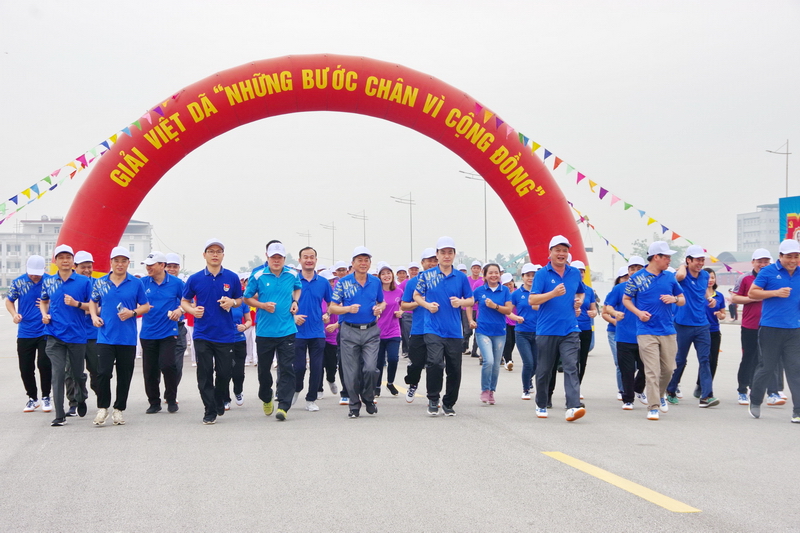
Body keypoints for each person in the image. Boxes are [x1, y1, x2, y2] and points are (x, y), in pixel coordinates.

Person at [181, 238, 243, 425]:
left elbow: (240, 300)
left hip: (225, 334)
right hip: (203, 334)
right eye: (211, 251)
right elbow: (184, 301)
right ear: (204, 255)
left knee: (224, 373)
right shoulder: (195, 278)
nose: (215, 254)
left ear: (223, 255)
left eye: (218, 251)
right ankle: (209, 410)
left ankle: (218, 399)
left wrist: (232, 302)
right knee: (205, 372)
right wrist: (192, 310)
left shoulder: (232, 277)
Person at [622, 241, 685, 420]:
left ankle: (660, 394)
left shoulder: (669, 277)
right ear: (656, 257)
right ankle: (653, 406)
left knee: (668, 369)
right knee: (652, 370)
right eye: (667, 257)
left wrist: (674, 299)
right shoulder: (637, 278)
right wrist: (638, 313)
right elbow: (626, 299)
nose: (669, 260)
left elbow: (682, 299)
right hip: (646, 330)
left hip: (667, 330)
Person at [89, 247, 150, 426]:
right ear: (111, 262)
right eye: (116, 261)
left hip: (127, 338)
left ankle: (119, 409)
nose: (120, 264)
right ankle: (102, 408)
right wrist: (94, 316)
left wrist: (132, 312)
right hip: (105, 336)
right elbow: (93, 301)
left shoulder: (136, 283)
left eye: (123, 261)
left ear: (128, 263)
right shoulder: (100, 282)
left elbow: (145, 306)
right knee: (102, 373)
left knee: (124, 375)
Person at [413, 237, 474, 417]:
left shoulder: (461, 277)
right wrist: (427, 305)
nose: (446, 256)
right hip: (432, 328)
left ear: (454, 255)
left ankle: (449, 402)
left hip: (454, 331)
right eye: (443, 252)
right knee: (435, 363)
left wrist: (461, 302)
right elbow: (416, 295)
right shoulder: (426, 276)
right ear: (437, 255)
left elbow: (471, 300)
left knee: (454, 368)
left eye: (450, 252)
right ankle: (433, 399)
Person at [529, 236, 585, 422]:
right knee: (544, 370)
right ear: (550, 252)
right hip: (547, 329)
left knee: (571, 367)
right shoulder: (542, 274)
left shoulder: (574, 273)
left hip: (570, 328)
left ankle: (573, 406)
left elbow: (581, 292)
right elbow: (532, 299)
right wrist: (553, 293)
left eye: (565, 250)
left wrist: (578, 302)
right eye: (558, 250)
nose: (561, 254)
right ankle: (541, 403)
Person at [244, 241, 302, 421]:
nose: (276, 261)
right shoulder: (258, 275)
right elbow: (247, 298)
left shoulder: (292, 274)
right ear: (267, 257)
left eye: (279, 257)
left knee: (286, 368)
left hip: (287, 330)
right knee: (264, 370)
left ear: (284, 258)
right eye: (273, 257)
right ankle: (266, 396)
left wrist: (295, 302)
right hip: (265, 331)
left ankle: (284, 405)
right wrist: (262, 305)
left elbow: (298, 288)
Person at [746, 239, 800, 423]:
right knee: (767, 367)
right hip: (770, 328)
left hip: (794, 329)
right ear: (780, 256)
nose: (793, 260)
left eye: (796, 256)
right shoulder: (768, 271)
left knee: (795, 369)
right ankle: (755, 401)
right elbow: (752, 293)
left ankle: (798, 411)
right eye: (789, 257)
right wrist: (775, 292)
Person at [329, 246, 385, 418]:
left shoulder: (375, 282)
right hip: (349, 332)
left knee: (370, 369)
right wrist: (347, 309)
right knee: (351, 372)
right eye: (359, 260)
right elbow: (332, 307)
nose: (363, 263)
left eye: (366, 260)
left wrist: (379, 308)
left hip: (371, 331)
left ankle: (368, 398)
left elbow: (382, 302)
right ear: (352, 263)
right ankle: (354, 405)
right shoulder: (343, 282)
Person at [40, 244, 92, 426]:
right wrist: (44, 314)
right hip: (54, 335)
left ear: (72, 261)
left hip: (76, 335)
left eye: (68, 257)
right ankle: (59, 415)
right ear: (55, 261)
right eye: (61, 257)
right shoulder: (49, 281)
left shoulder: (84, 282)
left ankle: (81, 397)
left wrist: (77, 303)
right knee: (58, 374)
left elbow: (93, 305)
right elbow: (44, 301)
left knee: (77, 374)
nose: (65, 260)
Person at [665, 245, 718, 408]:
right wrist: (683, 266)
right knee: (680, 360)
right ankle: (671, 390)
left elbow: (703, 290)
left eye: (702, 260)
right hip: (682, 324)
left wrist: (709, 298)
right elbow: (679, 276)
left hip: (702, 324)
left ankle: (706, 396)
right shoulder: (681, 275)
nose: (701, 263)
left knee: (705, 359)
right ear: (688, 260)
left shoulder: (704, 275)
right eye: (697, 260)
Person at [731, 249, 781, 405]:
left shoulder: (775, 277)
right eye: (760, 261)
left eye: (766, 261)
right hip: (750, 325)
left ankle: (772, 392)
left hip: (770, 325)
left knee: (769, 359)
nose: (763, 264)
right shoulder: (745, 278)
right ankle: (742, 390)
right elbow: (734, 298)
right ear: (753, 262)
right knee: (749, 357)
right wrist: (752, 298)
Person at [139, 251, 184, 414]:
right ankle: (154, 402)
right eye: (147, 265)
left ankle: (171, 399)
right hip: (148, 332)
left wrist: (179, 310)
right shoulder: (142, 283)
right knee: (150, 370)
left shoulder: (177, 283)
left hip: (168, 331)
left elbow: (188, 302)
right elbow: (133, 301)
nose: (148, 268)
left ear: (162, 265)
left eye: (152, 265)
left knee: (168, 365)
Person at [6, 255, 52, 414]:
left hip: (45, 330)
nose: (35, 276)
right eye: (32, 273)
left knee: (44, 364)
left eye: (38, 273)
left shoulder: (51, 281)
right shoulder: (18, 282)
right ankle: (32, 398)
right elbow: (9, 300)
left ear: (43, 270)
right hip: (25, 331)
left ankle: (46, 396)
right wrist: (14, 314)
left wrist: (48, 304)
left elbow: (60, 300)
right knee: (26, 367)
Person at [604, 258, 647, 410]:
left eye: (639, 268)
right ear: (628, 271)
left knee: (646, 368)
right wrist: (615, 313)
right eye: (632, 269)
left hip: (645, 335)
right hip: (624, 335)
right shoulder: (620, 288)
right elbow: (607, 307)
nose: (635, 272)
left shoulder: (649, 288)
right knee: (626, 370)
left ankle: (638, 389)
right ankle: (628, 399)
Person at [292, 246, 331, 412]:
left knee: (316, 367)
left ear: (316, 260)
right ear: (299, 260)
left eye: (312, 257)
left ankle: (311, 399)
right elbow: (284, 303)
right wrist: (293, 317)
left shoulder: (323, 282)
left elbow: (332, 303)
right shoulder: (292, 280)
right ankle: (296, 388)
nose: (309, 260)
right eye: (305, 257)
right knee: (299, 367)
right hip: (297, 331)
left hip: (317, 331)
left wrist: (328, 313)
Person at [467, 263, 512, 405]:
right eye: (490, 273)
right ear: (485, 275)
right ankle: (485, 390)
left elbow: (508, 310)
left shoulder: (505, 290)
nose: (494, 275)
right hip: (483, 331)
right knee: (489, 361)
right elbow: (469, 305)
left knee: (496, 364)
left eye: (496, 272)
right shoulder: (479, 290)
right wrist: (470, 320)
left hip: (499, 332)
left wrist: (495, 306)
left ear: (500, 274)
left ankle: (492, 391)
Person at [401, 249, 438, 403]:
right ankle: (412, 384)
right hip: (419, 329)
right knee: (416, 363)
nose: (432, 263)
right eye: (429, 260)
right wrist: (419, 302)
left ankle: (433, 395)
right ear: (422, 263)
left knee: (434, 364)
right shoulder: (413, 282)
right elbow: (404, 305)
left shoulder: (442, 280)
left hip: (437, 330)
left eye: (435, 260)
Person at [65, 251, 99, 417]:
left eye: (89, 266)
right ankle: (75, 402)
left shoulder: (98, 284)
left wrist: (78, 305)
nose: (87, 270)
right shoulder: (68, 283)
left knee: (97, 370)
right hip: (72, 335)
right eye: (83, 267)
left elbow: (99, 308)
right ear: (75, 267)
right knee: (71, 372)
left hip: (93, 334)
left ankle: (102, 399)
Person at [696, 267, 725, 399]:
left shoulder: (719, 296)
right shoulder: (697, 294)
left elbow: (723, 315)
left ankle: (704, 386)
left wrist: (720, 315)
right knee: (704, 359)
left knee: (713, 361)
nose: (710, 280)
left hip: (714, 331)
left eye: (712, 277)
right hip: (700, 330)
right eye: (707, 277)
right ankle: (698, 385)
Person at [601, 266, 630, 401]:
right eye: (624, 278)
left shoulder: (636, 292)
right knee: (620, 362)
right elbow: (604, 313)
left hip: (631, 332)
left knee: (635, 364)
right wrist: (614, 321)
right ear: (618, 279)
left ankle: (630, 386)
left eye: (628, 277)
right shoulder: (615, 292)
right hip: (614, 332)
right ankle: (622, 389)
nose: (627, 280)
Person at [511, 263, 538, 400]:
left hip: (539, 333)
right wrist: (516, 318)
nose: (531, 278)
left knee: (537, 364)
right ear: (522, 277)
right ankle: (526, 389)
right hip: (522, 333)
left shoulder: (540, 293)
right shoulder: (516, 294)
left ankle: (529, 379)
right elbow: (507, 311)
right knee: (528, 362)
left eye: (533, 275)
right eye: (528, 275)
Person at [376, 263, 403, 397]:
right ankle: (377, 386)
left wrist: (401, 311)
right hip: (378, 331)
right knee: (379, 361)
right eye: (383, 274)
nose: (386, 276)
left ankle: (390, 383)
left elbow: (403, 305)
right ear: (379, 276)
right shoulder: (376, 292)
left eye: (388, 273)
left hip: (394, 331)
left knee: (393, 358)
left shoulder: (399, 291)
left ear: (392, 275)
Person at [570, 261, 597, 385]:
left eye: (582, 272)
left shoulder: (589, 291)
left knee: (582, 360)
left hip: (585, 328)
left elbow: (593, 309)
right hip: (570, 329)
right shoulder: (566, 288)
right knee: (572, 360)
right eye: (577, 271)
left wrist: (593, 313)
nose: (580, 274)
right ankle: (571, 386)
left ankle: (577, 386)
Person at [165, 253, 188, 388]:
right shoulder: (154, 283)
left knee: (176, 364)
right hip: (158, 328)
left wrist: (181, 309)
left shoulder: (182, 285)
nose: (172, 269)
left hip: (177, 326)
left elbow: (190, 302)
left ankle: (171, 391)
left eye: (175, 267)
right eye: (169, 266)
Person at [227, 292, 252, 409]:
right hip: (222, 340)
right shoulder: (220, 300)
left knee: (238, 372)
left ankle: (238, 391)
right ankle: (224, 398)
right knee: (223, 371)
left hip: (239, 339)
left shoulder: (241, 301)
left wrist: (245, 326)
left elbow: (249, 320)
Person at [500, 272, 517, 370]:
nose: (509, 286)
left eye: (510, 284)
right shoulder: (502, 294)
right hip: (505, 321)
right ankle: (508, 360)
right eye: (506, 285)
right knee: (508, 341)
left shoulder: (517, 292)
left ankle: (505, 356)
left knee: (513, 341)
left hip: (516, 321)